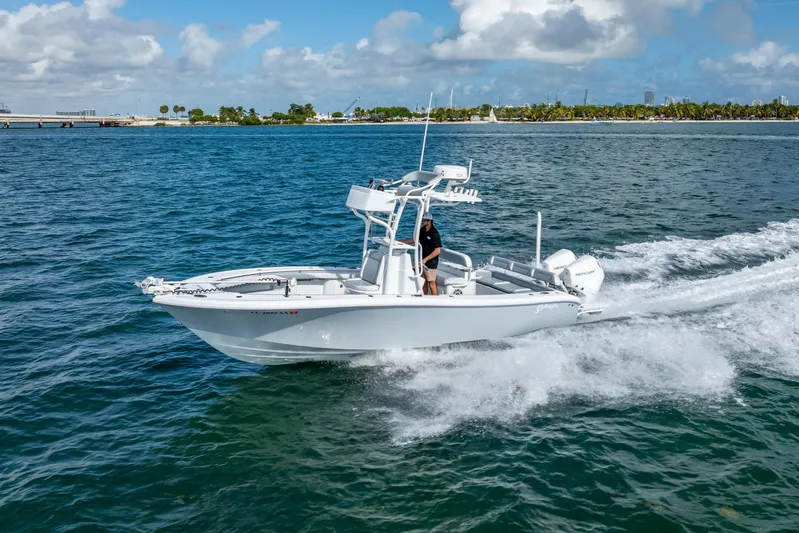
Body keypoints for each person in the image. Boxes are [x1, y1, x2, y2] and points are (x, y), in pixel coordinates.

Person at [400, 212, 442, 295]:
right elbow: (414, 240)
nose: (422, 222)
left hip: (431, 263)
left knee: (431, 283)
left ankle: (436, 301)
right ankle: (425, 299)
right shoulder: (422, 230)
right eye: (421, 220)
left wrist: (425, 260)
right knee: (423, 283)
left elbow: (437, 250)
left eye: (423, 220)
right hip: (422, 261)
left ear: (429, 221)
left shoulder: (434, 233)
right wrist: (400, 242)